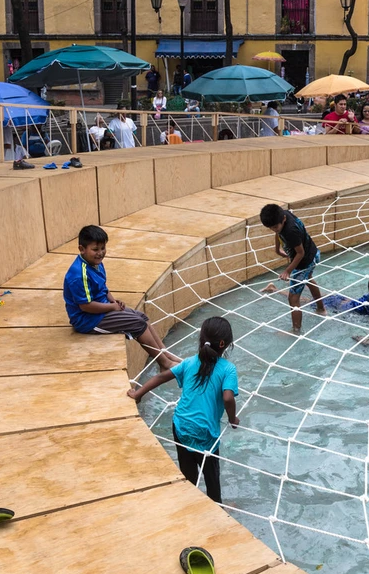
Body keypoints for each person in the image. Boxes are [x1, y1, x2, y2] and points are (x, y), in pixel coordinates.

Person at [127, 316, 239, 504]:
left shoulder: (189, 362)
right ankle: (217, 508)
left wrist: (138, 394)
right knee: (212, 478)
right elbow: (228, 397)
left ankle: (190, 501)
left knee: (188, 474)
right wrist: (232, 418)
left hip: (180, 427)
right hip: (205, 434)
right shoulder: (228, 369)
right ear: (224, 344)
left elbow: (162, 377)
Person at [63, 224, 179, 370]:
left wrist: (113, 300)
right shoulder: (79, 274)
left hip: (101, 310)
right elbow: (86, 306)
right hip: (87, 320)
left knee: (142, 317)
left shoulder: (96, 264)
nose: (100, 253)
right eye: (95, 249)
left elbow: (102, 288)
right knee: (138, 324)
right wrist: (112, 307)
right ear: (82, 249)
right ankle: (164, 364)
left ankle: (167, 354)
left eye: (103, 248)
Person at [260, 202, 324, 333]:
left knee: (293, 298)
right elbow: (278, 233)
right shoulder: (282, 216)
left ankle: (296, 330)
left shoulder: (290, 231)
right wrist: (277, 249)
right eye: (271, 228)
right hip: (313, 253)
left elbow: (301, 253)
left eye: (275, 227)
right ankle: (321, 309)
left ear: (283, 219)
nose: (274, 229)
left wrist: (287, 271)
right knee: (309, 279)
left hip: (304, 262)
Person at [262, 273, 369, 317]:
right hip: (337, 305)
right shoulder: (368, 305)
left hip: (342, 300)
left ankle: (305, 283)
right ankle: (274, 289)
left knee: (317, 295)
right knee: (307, 301)